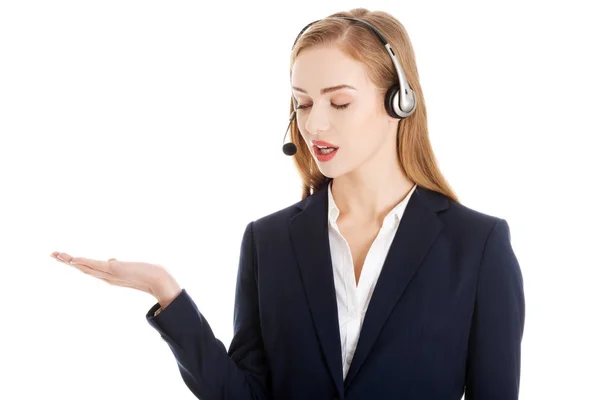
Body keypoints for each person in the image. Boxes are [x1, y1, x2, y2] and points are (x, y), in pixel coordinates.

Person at [50, 7, 525, 400]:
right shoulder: (269, 241)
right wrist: (166, 294)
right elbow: (246, 395)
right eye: (301, 103)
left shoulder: (477, 245)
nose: (314, 125)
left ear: (399, 101)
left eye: (339, 103)